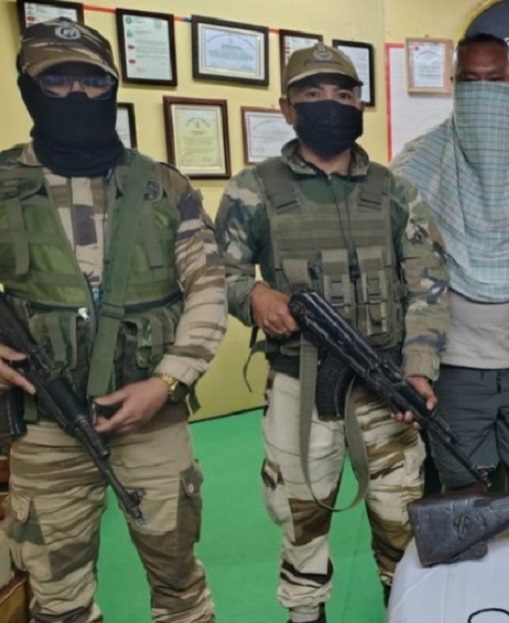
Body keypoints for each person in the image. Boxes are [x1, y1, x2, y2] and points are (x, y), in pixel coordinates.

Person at [214, 43, 449, 623]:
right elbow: (216, 273)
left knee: (402, 518)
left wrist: (419, 370)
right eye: (312, 93)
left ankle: (405, 607)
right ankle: (305, 614)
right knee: (302, 518)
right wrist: (254, 296)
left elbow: (428, 285)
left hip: (384, 384)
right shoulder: (254, 189)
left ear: (360, 104)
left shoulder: (395, 191)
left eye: (343, 93)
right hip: (300, 385)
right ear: (286, 108)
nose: (330, 104)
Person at [0, 18, 225, 623]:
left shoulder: (164, 186)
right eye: (57, 80)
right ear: (28, 88)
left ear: (113, 88)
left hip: (152, 416)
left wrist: (168, 381)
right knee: (58, 599)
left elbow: (209, 288)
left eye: (93, 81)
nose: (77, 93)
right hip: (45, 425)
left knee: (179, 584)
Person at [391, 33, 509, 494]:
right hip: (453, 362)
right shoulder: (416, 165)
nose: (482, 91)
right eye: (469, 81)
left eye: (494, 80)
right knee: (463, 487)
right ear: (454, 86)